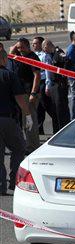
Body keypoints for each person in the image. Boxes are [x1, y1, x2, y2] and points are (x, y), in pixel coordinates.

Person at [0, 48, 32, 195]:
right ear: (4, 59)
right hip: (7, 119)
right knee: (19, 148)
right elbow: (20, 98)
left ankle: (1, 186)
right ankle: (15, 180)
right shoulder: (9, 75)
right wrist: (28, 115)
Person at [14, 38, 41, 153]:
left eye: (22, 47)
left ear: (28, 46)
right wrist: (17, 47)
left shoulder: (33, 57)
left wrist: (33, 93)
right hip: (21, 93)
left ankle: (33, 147)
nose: (20, 50)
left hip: (29, 93)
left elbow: (37, 75)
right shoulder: (19, 56)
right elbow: (10, 52)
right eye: (18, 48)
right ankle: (28, 145)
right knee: (23, 121)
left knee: (30, 120)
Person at [33, 36, 58, 135]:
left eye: (35, 43)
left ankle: (57, 128)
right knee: (39, 109)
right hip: (37, 83)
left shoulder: (45, 56)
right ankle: (40, 131)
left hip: (43, 83)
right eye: (33, 44)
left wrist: (48, 85)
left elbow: (48, 72)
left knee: (48, 106)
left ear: (40, 44)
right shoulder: (34, 55)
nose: (33, 45)